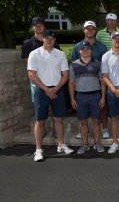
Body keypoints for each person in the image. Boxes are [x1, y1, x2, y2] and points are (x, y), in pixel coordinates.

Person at [27, 30, 73, 161]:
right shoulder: (34, 54)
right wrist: (47, 89)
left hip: (57, 90)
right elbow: (31, 74)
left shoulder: (60, 54)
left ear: (54, 40)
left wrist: (55, 89)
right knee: (40, 120)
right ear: (43, 39)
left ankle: (61, 144)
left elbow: (65, 74)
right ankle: (38, 150)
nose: (49, 40)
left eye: (52, 38)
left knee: (58, 119)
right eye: (47, 38)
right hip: (41, 91)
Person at [72, 21, 109, 139]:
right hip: (82, 83)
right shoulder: (78, 46)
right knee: (82, 109)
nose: (90, 31)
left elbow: (106, 64)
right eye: (87, 29)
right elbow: (74, 65)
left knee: (102, 106)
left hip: (99, 79)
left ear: (95, 30)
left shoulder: (102, 46)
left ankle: (104, 128)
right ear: (84, 30)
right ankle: (84, 130)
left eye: (92, 29)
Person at [68, 41, 106, 154]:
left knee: (96, 121)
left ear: (91, 50)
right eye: (82, 49)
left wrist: (103, 97)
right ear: (79, 51)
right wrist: (72, 99)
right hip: (80, 96)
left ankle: (97, 143)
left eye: (87, 49)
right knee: (83, 122)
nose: (85, 51)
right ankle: (85, 144)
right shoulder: (74, 64)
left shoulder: (98, 63)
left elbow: (102, 81)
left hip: (95, 95)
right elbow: (71, 82)